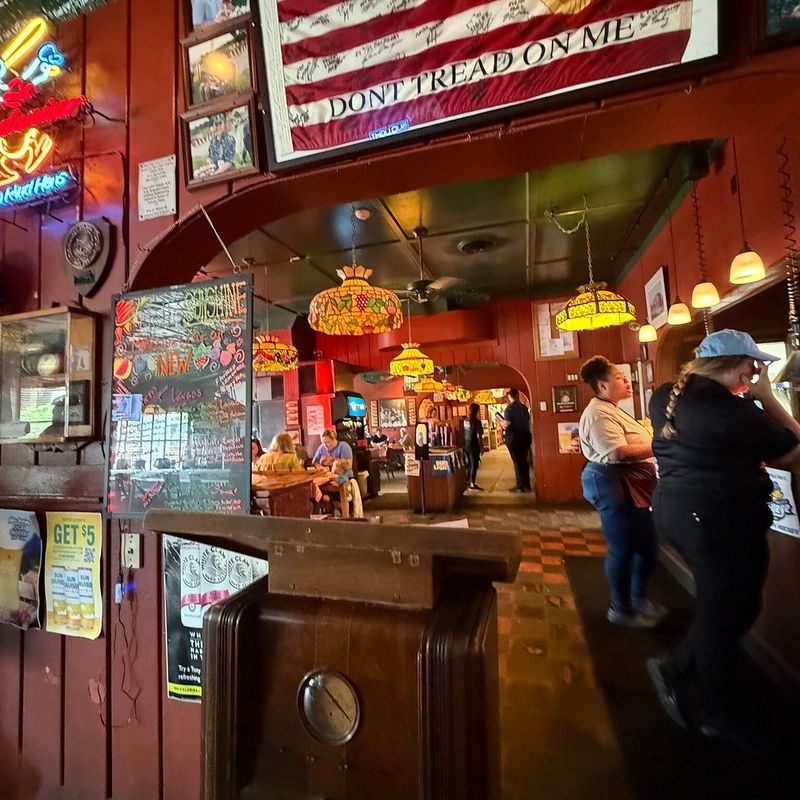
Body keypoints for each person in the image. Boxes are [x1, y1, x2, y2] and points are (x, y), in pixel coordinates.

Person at [647, 329, 800, 754]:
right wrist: (768, 396)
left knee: (734, 606)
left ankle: (678, 670)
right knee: (724, 611)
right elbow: (794, 446)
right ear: (735, 364)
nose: (756, 371)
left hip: (679, 512)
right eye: (753, 364)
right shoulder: (729, 409)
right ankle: (715, 712)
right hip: (716, 520)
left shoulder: (666, 394)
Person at [578, 356, 664, 630]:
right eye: (619, 377)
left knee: (647, 546)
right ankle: (621, 608)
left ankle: (637, 599)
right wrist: (660, 445)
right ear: (603, 386)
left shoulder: (612, 408)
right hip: (611, 483)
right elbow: (616, 452)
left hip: (630, 484)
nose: (626, 380)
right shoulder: (597, 413)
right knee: (622, 548)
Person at [498, 388, 532, 492]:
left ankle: (520, 485)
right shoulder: (524, 407)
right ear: (517, 395)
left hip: (514, 436)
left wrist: (500, 421)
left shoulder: (509, 408)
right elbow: (529, 421)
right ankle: (527, 484)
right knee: (524, 460)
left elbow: (507, 424)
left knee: (517, 461)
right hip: (526, 435)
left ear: (509, 397)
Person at [465, 402, 484, 490]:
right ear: (477, 411)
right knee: (474, 464)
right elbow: (479, 435)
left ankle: (468, 482)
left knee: (469, 464)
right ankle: (472, 483)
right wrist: (482, 446)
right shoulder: (477, 422)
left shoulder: (465, 420)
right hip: (474, 444)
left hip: (466, 444)